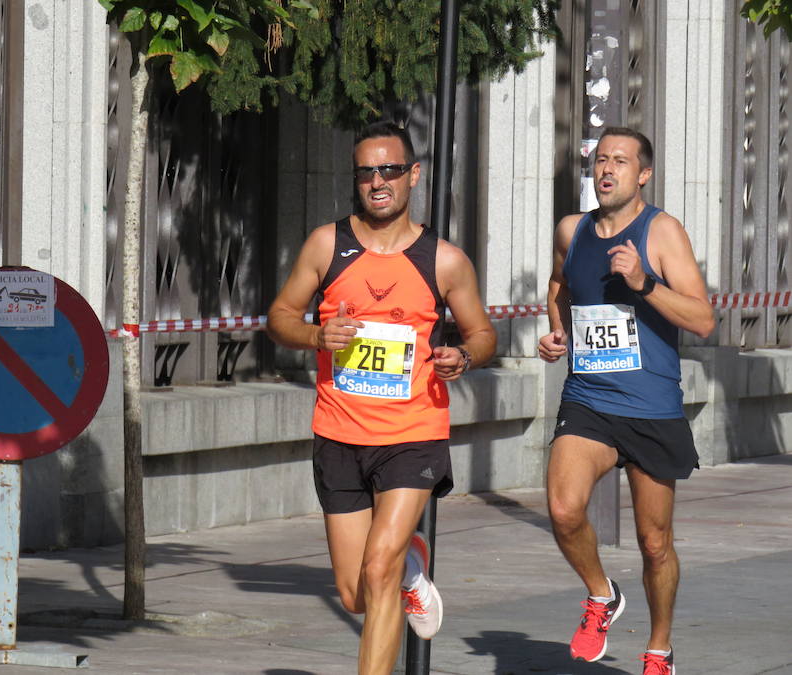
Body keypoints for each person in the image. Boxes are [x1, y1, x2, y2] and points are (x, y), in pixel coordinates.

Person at [267, 120, 497, 675]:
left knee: (377, 568)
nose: (378, 181)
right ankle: (411, 571)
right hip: (339, 432)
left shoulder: (444, 260)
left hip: (412, 434)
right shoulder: (327, 245)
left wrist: (462, 358)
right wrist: (317, 335)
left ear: (412, 175)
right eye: (367, 171)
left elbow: (483, 334)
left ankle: (398, 569)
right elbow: (278, 318)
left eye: (389, 169)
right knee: (356, 592)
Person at [538, 126, 715, 675]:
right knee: (565, 511)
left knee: (654, 542)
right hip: (589, 397)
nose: (606, 169)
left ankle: (659, 648)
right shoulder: (573, 230)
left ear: (643, 174)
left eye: (621, 161)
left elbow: (704, 320)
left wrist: (643, 283)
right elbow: (559, 286)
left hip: (651, 406)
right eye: (600, 160)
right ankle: (601, 594)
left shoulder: (661, 232)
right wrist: (557, 331)